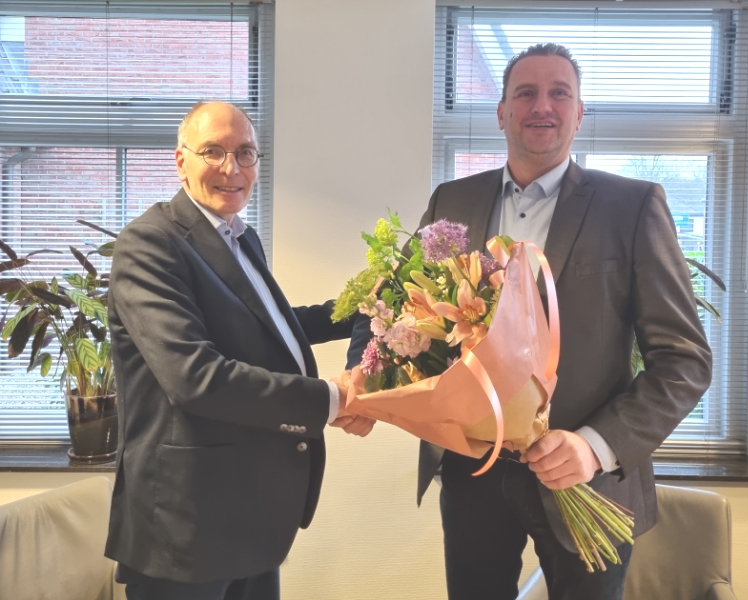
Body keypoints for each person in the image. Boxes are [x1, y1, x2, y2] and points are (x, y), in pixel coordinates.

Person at [347, 44, 712, 600]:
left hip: (586, 479)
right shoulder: (452, 200)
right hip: (472, 472)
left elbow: (685, 362)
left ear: (579, 113)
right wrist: (364, 378)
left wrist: (595, 446)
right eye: (526, 93)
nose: (542, 106)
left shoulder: (632, 205)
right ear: (502, 112)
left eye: (559, 93)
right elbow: (386, 305)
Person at [105, 100, 374, 600]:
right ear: (181, 161)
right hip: (185, 529)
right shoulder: (149, 243)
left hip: (248, 516)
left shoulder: (239, 237)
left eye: (245, 153)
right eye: (214, 151)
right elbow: (194, 376)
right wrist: (333, 399)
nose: (232, 169)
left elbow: (263, 329)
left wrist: (360, 306)